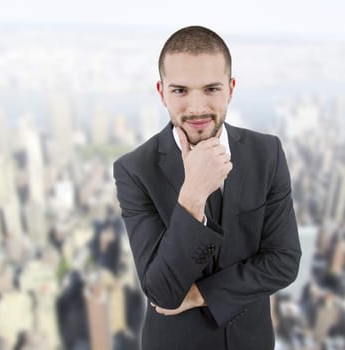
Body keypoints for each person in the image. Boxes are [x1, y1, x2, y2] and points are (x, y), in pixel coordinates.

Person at [113, 25, 301, 350]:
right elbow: (162, 291)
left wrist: (201, 295)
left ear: (231, 88)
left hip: (252, 341)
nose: (197, 108)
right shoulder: (135, 170)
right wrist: (193, 195)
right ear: (161, 92)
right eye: (180, 91)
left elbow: (284, 261)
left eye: (211, 89)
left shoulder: (266, 153)